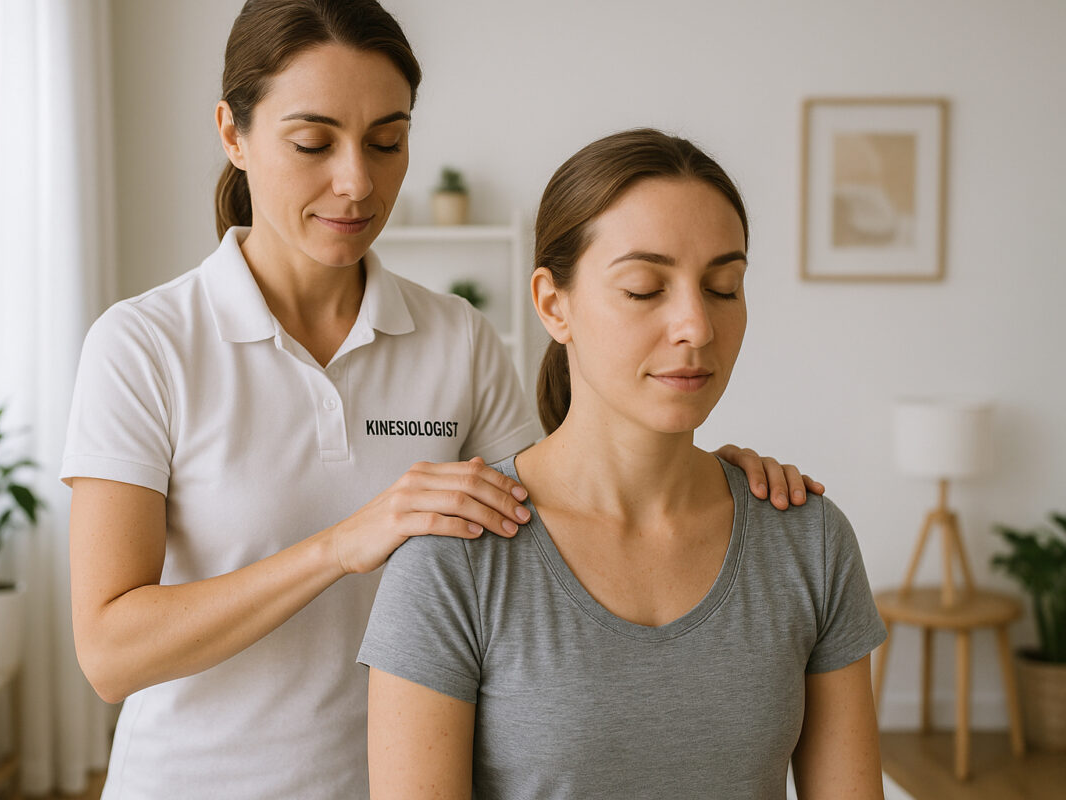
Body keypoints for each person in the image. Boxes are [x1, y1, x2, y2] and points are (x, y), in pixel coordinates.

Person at [63, 3, 823, 798]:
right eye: (313, 142)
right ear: (232, 132)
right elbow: (110, 653)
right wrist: (340, 545)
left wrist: (712, 481)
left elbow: (563, 512)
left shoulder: (455, 339)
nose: (357, 181)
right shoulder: (145, 346)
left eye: (387, 141)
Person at [360, 129, 888, 799]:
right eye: (644, 289)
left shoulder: (808, 538)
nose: (696, 325)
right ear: (555, 305)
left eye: (724, 287)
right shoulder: (454, 557)